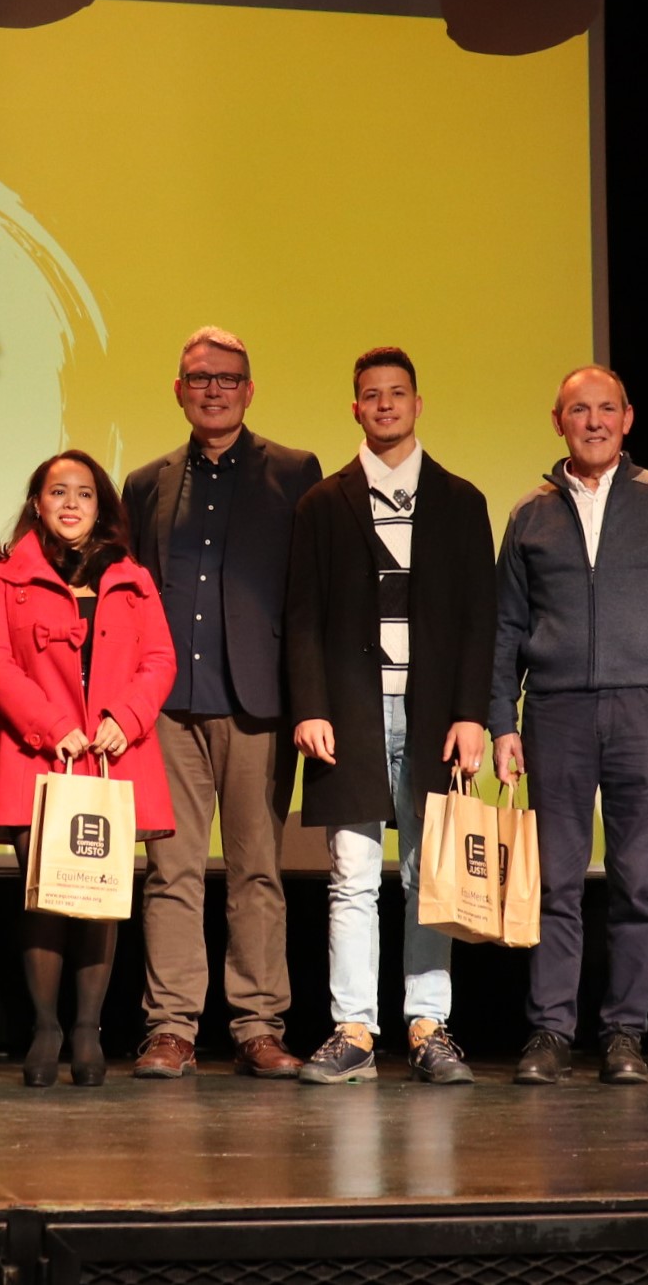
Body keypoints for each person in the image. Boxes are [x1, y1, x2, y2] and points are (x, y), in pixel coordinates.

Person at [489, 365, 648, 1086]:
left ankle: (624, 1031)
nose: (591, 421)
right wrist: (501, 719)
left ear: (627, 418)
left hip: (646, 706)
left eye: (604, 409)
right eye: (576, 410)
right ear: (556, 420)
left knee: (636, 882)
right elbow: (505, 629)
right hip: (556, 711)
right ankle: (550, 1031)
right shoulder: (529, 511)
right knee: (556, 882)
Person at [287, 347, 494, 1085]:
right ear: (354, 407)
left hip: (434, 713)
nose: (383, 405)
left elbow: (480, 620)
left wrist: (472, 714)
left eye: (395, 393)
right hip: (350, 714)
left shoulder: (460, 500)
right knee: (351, 875)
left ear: (416, 402)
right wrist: (309, 707)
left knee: (427, 873)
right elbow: (302, 617)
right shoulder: (323, 502)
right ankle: (353, 1027)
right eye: (369, 395)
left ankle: (426, 1023)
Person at [121, 326, 320, 1080]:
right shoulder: (146, 482)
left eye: (227, 377)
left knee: (256, 870)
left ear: (248, 388)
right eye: (199, 377)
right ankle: (171, 1027)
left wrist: (309, 699)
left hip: (256, 703)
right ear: (178, 389)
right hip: (166, 708)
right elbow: (126, 597)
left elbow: (308, 596)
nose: (213, 388)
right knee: (168, 871)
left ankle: (257, 1025)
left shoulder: (295, 472)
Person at [0, 450, 177, 1087]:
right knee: (45, 898)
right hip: (40, 756)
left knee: (99, 902)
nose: (70, 504)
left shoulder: (133, 577)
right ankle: (45, 1027)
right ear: (37, 503)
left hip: (113, 758)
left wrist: (127, 717)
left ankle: (87, 1028)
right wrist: (52, 726)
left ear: (101, 506)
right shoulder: (2, 577)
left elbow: (159, 660)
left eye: (83, 494)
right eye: (57, 492)